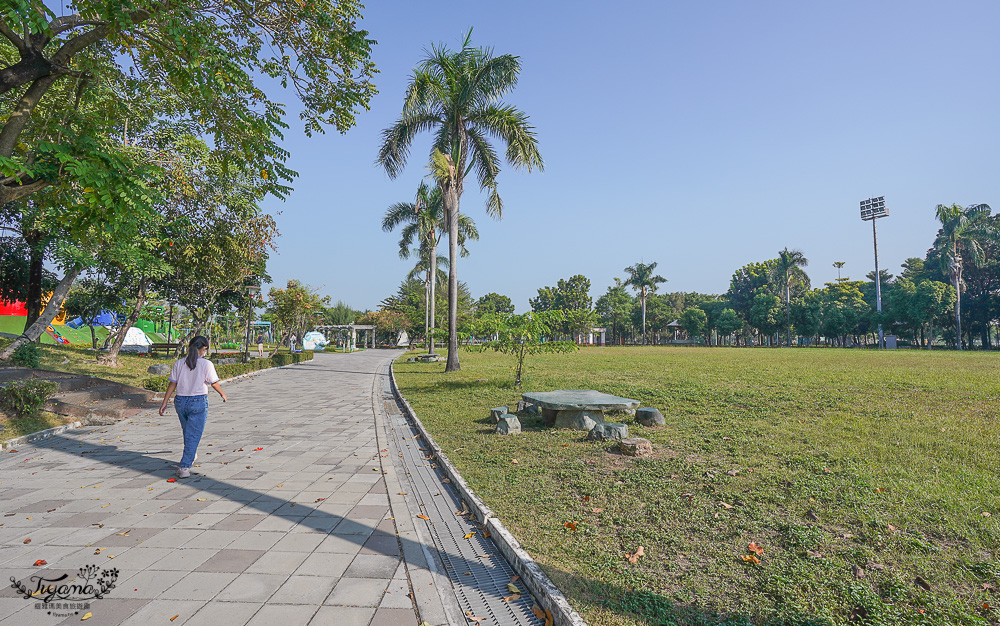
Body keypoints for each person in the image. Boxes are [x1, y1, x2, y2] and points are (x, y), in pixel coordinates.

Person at [158, 336, 227, 478]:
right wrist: (223, 394)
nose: (205, 352)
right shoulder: (206, 364)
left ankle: (191, 453)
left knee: (188, 431)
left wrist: (165, 402)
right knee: (193, 434)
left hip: (180, 402)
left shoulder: (179, 363)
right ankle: (184, 467)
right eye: (205, 349)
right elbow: (214, 383)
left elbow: (172, 384)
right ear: (202, 349)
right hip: (198, 401)